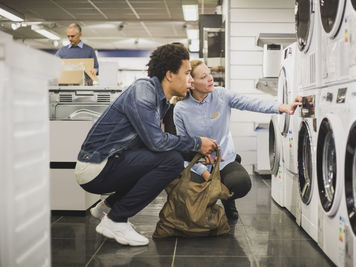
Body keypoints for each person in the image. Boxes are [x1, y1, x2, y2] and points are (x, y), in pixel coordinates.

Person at [74, 44, 218, 247]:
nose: (191, 80)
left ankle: (106, 208)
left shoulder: (162, 100)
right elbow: (157, 142)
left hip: (110, 163)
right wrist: (196, 143)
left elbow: (162, 142)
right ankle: (116, 220)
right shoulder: (143, 91)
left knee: (167, 159)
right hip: (96, 166)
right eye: (187, 73)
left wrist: (199, 152)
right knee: (171, 162)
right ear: (169, 74)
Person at [173, 60, 302, 220]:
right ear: (192, 84)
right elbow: (184, 146)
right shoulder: (180, 109)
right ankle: (206, 205)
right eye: (204, 76)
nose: (210, 78)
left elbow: (251, 103)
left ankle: (228, 201)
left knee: (241, 183)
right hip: (198, 163)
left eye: (210, 73)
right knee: (188, 191)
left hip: (224, 160)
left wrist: (282, 107)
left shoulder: (221, 95)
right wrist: (205, 173)